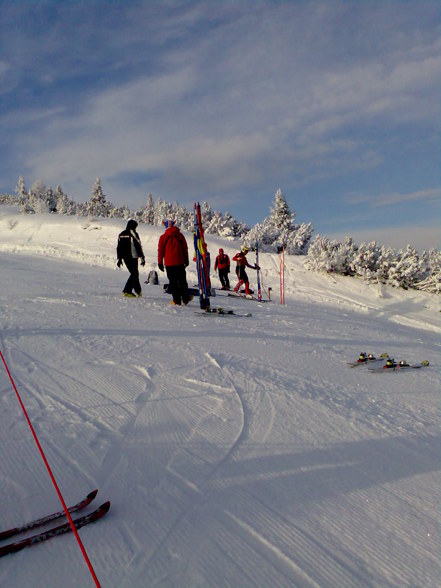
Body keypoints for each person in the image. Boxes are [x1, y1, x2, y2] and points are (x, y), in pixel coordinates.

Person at [158, 220, 193, 306]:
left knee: (173, 282)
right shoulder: (180, 235)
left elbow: (160, 251)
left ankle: (177, 300)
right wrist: (186, 260)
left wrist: (160, 263)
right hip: (180, 262)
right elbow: (185, 248)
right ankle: (185, 298)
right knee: (182, 281)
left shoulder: (163, 237)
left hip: (169, 264)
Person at [117, 219, 145, 297]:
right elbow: (138, 245)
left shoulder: (121, 234)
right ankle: (127, 291)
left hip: (125, 258)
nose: (135, 228)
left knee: (134, 274)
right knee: (134, 273)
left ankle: (138, 291)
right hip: (133, 256)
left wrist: (119, 258)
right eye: (135, 226)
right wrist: (142, 257)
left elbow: (119, 247)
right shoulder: (133, 233)